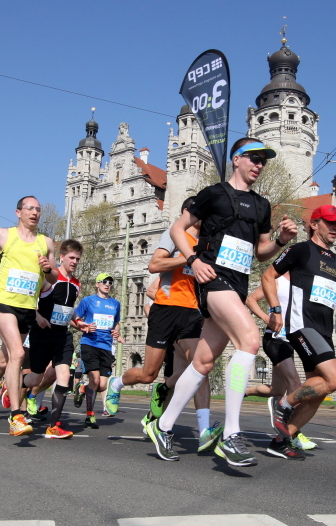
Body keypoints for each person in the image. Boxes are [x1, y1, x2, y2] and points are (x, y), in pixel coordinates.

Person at [146, 137, 297, 466]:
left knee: (202, 363)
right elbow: (178, 228)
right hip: (213, 280)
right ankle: (231, 434)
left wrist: (281, 241)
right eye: (253, 158)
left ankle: (163, 425)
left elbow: (261, 253)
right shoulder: (213, 194)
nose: (259, 164)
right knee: (250, 340)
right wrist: (193, 259)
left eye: (263, 160)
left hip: (237, 285)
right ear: (236, 159)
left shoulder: (262, 205)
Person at [106, 199, 219, 451]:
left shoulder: (206, 243)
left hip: (192, 313)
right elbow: (154, 265)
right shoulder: (174, 234)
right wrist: (188, 258)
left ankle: (204, 431)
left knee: (201, 368)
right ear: (188, 212)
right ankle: (117, 383)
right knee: (148, 374)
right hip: (166, 309)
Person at [262, 204, 336, 449]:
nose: (335, 228)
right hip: (302, 325)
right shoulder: (300, 250)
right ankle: (283, 405)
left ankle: (283, 440)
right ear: (314, 225)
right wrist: (275, 309)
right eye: (330, 223)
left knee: (319, 392)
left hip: (325, 331)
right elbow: (267, 276)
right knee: (335, 379)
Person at [0, 196, 57, 436]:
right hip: (3, 303)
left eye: (38, 209)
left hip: (27, 308)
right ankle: (16, 416)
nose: (35, 213)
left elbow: (53, 278)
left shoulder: (46, 242)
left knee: (3, 362)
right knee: (18, 354)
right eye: (30, 208)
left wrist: (47, 269)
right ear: (18, 212)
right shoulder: (3, 235)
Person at [244, 273, 312, 460]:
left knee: (276, 390)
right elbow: (251, 300)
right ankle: (288, 435)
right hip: (275, 339)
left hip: (291, 341)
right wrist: (268, 319)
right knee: (296, 387)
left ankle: (243, 391)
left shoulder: (302, 281)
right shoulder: (276, 280)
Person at [21, 239, 84, 438]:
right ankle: (14, 384)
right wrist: (37, 316)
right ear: (61, 257)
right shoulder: (49, 279)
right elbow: (28, 301)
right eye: (71, 258)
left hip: (62, 335)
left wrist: (77, 322)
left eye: (77, 259)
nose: (74, 262)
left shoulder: (76, 283)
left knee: (63, 376)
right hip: (42, 333)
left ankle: (54, 426)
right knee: (35, 378)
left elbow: (68, 309)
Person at [73, 273, 123, 429]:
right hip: (90, 344)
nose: (107, 284)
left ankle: (82, 388)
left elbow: (117, 323)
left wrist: (116, 332)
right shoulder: (88, 301)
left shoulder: (115, 303)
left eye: (110, 282)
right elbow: (74, 319)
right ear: (97, 284)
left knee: (102, 385)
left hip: (106, 347)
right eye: (104, 281)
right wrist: (83, 327)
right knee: (94, 380)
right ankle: (90, 415)